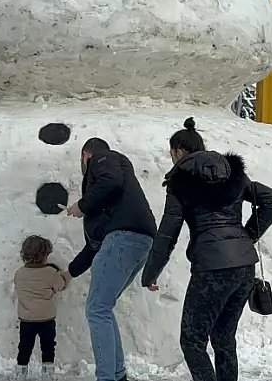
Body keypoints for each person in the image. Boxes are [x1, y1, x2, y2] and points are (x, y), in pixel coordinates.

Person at [141, 118, 272, 381]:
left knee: (192, 340)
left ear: (179, 151)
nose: (172, 159)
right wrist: (246, 236)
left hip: (211, 269)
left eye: (172, 153)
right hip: (244, 268)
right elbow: (271, 200)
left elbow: (167, 234)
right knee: (223, 337)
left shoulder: (180, 181)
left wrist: (150, 273)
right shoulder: (232, 173)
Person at [61, 137, 156, 381]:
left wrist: (82, 205)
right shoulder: (115, 206)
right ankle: (117, 374)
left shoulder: (105, 158)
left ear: (85, 155)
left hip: (123, 239)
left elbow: (110, 180)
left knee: (97, 309)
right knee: (103, 308)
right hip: (137, 242)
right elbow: (95, 246)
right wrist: (70, 272)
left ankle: (107, 378)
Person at [14, 235, 69, 379]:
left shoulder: (19, 274)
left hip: (26, 319)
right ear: (45, 255)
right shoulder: (50, 273)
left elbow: (19, 289)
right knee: (48, 346)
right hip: (46, 319)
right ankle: (47, 372)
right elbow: (60, 286)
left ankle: (21, 371)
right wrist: (62, 275)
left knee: (25, 345)